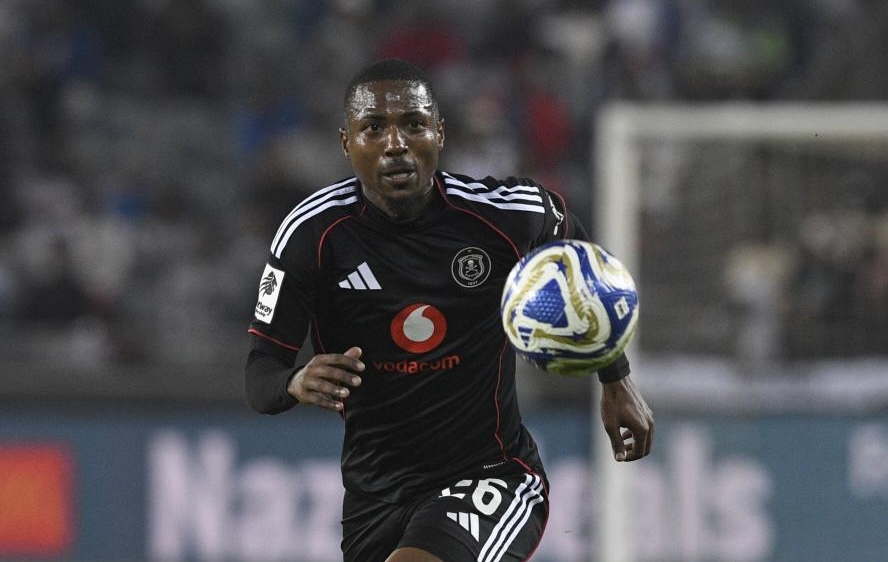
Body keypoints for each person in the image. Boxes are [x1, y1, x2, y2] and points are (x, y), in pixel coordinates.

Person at [245, 58, 654, 562]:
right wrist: (294, 381)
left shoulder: (503, 215)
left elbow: (573, 249)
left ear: (439, 134)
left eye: (413, 125)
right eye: (374, 128)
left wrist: (616, 377)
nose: (395, 144)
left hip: (493, 475)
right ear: (346, 142)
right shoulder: (311, 235)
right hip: (374, 499)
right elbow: (260, 376)